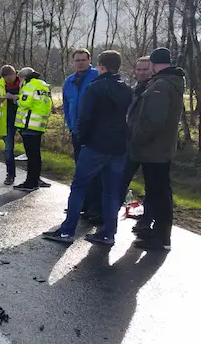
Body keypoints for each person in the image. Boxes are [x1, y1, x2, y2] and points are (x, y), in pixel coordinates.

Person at [42, 50, 132, 245]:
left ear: (100, 65)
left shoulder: (95, 87)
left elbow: (85, 118)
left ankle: (67, 231)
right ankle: (108, 233)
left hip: (96, 145)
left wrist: (83, 139)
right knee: (110, 191)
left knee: (78, 186)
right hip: (119, 146)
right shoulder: (126, 88)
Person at [128, 47, 186, 251]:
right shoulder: (171, 81)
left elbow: (153, 121)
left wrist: (136, 140)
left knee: (159, 192)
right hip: (161, 148)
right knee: (158, 190)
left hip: (154, 149)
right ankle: (158, 231)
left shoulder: (161, 85)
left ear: (153, 63)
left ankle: (162, 238)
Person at [63, 48, 103, 224]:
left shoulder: (96, 77)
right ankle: (83, 204)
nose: (80, 63)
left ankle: (95, 206)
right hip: (77, 132)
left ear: (89, 60)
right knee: (80, 171)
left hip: (95, 133)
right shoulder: (70, 81)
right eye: (77, 60)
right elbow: (66, 105)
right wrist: (71, 126)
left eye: (83, 60)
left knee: (94, 172)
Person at [119, 56, 154, 232]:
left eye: (145, 69)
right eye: (138, 69)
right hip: (129, 143)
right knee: (121, 179)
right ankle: (109, 216)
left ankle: (146, 220)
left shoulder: (155, 90)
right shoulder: (133, 90)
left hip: (149, 145)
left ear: (152, 70)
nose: (141, 73)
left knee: (151, 185)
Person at [12, 67, 52, 192]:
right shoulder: (43, 85)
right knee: (36, 154)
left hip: (28, 124)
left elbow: (25, 103)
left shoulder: (29, 85)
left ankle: (30, 182)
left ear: (23, 77)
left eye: (20, 79)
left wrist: (16, 99)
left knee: (31, 155)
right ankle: (36, 179)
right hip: (39, 123)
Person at [0, 65, 22, 185]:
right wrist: (1, 99)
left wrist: (15, 97)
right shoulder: (0, 84)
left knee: (31, 150)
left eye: (9, 79)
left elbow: (31, 97)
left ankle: (35, 177)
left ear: (15, 74)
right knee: (9, 150)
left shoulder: (24, 80)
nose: (7, 82)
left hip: (23, 120)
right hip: (7, 121)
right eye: (5, 79)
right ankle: (10, 175)